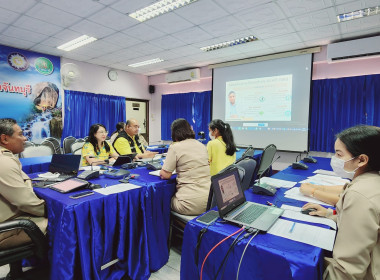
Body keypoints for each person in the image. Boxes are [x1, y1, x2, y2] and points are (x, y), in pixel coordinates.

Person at [301, 125, 380, 280]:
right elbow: (367, 225)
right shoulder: (372, 181)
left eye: (339, 154)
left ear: (362, 160)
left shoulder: (359, 195)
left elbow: (347, 271)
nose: (335, 159)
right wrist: (330, 214)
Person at [0, 118, 47, 249]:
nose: (25, 138)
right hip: (7, 228)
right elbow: (25, 203)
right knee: (64, 222)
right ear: (4, 139)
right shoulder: (3, 162)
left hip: (9, 220)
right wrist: (54, 210)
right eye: (20, 134)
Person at [159, 119, 210, 215]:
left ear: (174, 133)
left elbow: (165, 175)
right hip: (210, 201)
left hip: (190, 204)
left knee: (160, 200)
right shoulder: (201, 145)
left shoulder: (175, 147)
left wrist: (161, 172)